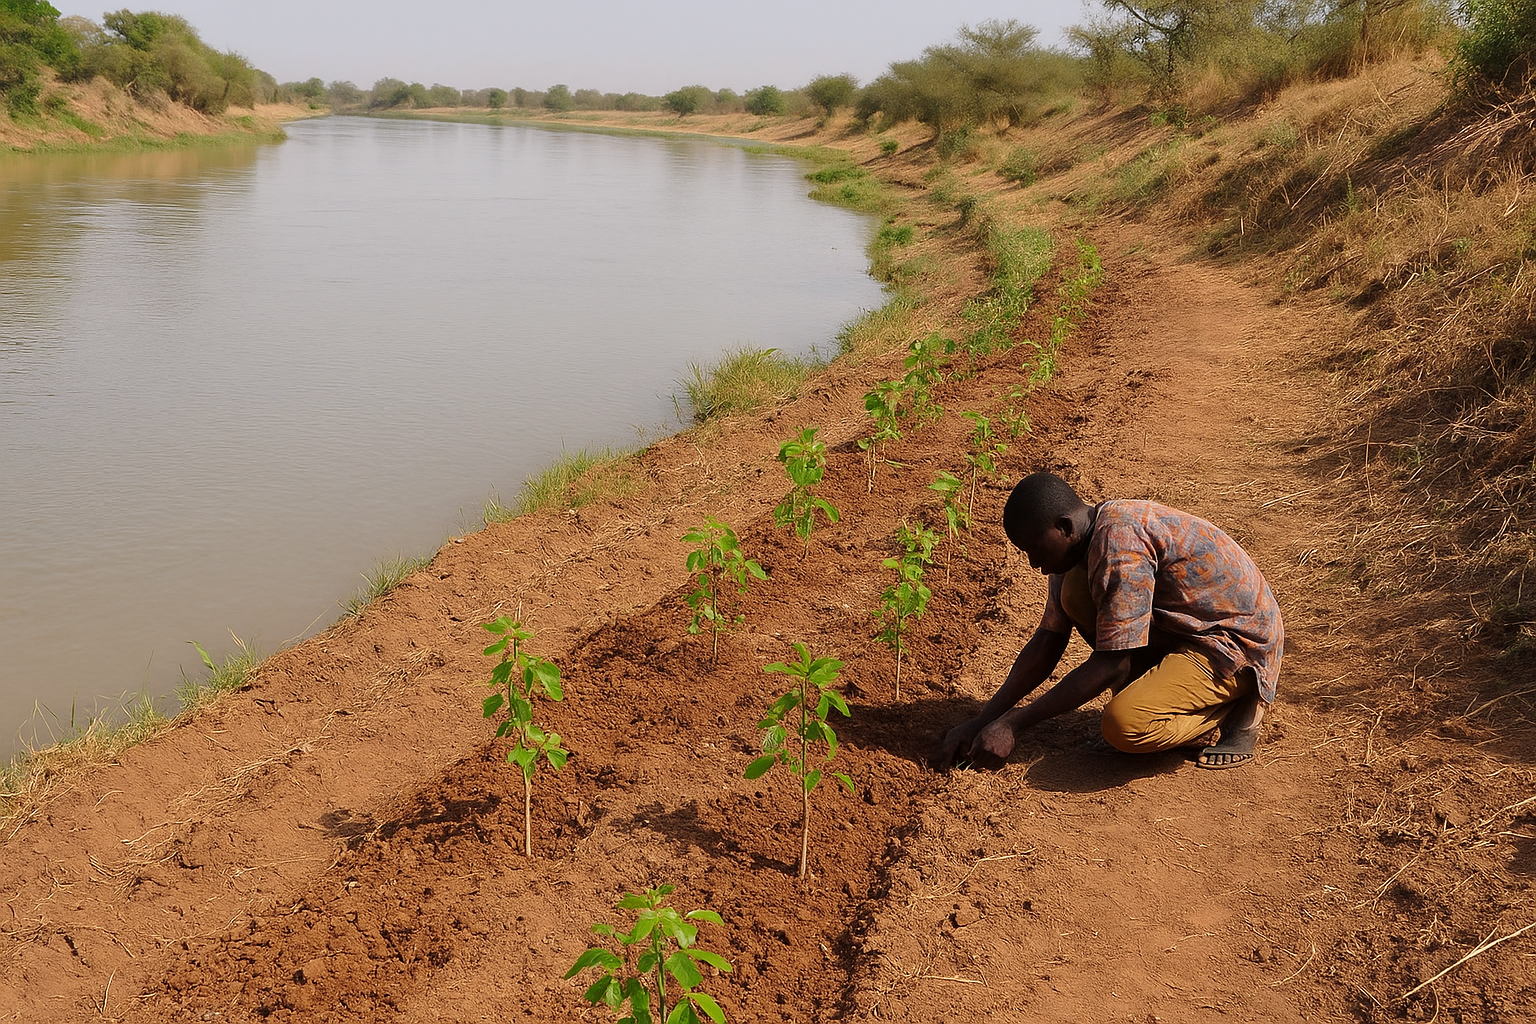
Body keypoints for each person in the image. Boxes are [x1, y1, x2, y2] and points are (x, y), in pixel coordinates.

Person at [932, 472, 1283, 771]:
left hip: (1234, 645)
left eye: (1034, 549)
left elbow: (1113, 662)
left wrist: (1014, 722)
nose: (1033, 563)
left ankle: (1233, 708)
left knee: (1123, 726)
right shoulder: (1079, 546)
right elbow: (1048, 640)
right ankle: (1169, 692)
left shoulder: (1119, 544)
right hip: (1187, 629)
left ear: (1063, 527)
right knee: (1075, 595)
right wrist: (984, 720)